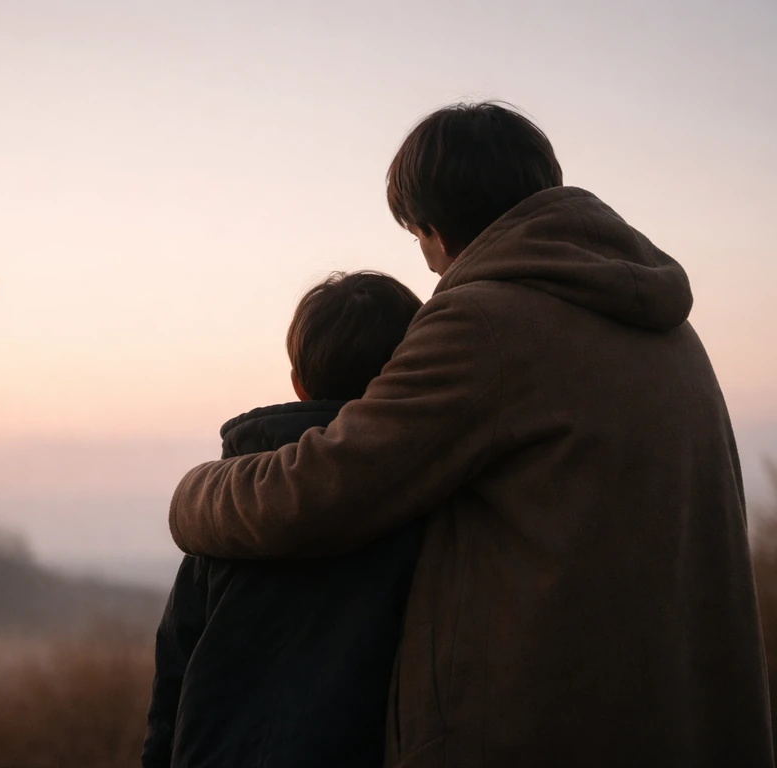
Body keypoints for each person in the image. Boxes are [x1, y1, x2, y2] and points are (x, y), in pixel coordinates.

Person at [168, 102, 774, 767]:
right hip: (682, 724)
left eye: (418, 239)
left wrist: (195, 493)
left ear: (433, 226)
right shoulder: (666, 323)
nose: (430, 272)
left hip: (540, 733)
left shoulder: (486, 320)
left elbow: (317, 492)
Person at [143, 271, 426, 768]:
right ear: (409, 373)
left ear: (298, 384)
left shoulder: (227, 508)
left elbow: (174, 671)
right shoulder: (424, 501)